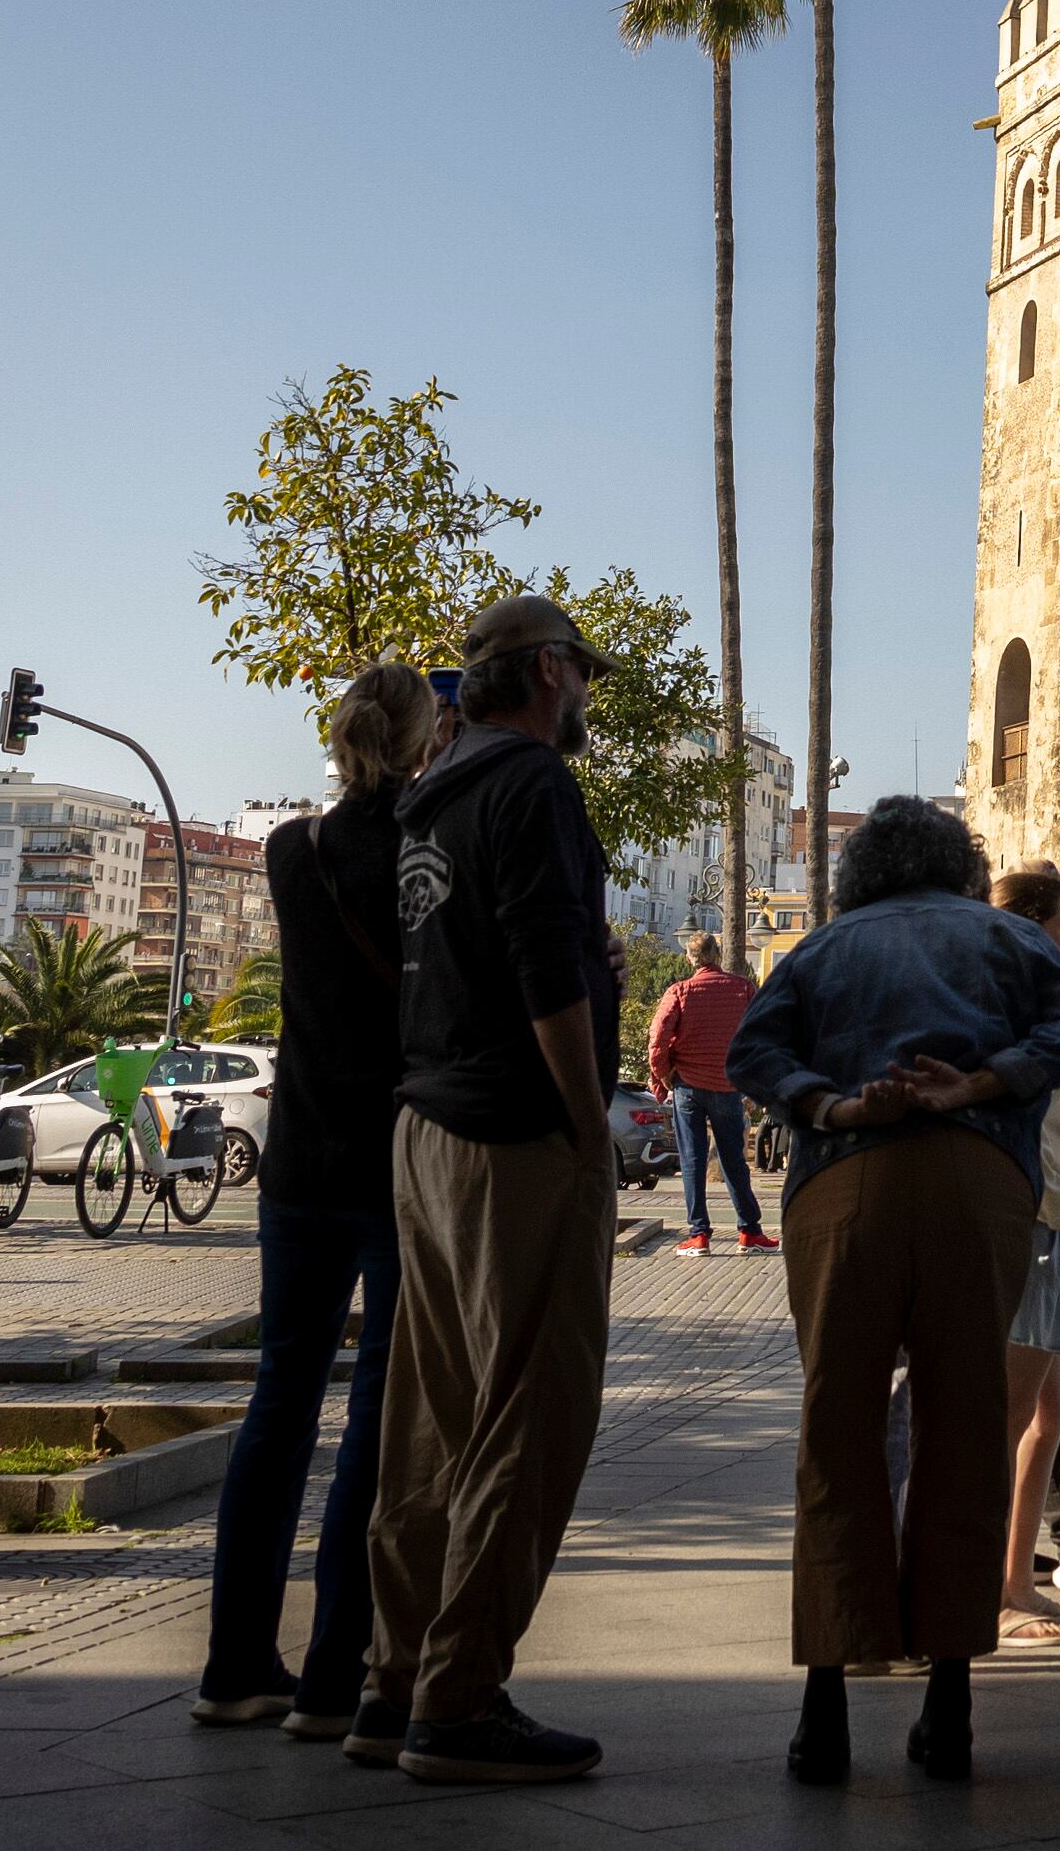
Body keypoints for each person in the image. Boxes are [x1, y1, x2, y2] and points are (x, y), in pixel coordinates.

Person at [734, 797, 1060, 1786]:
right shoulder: (1000, 936)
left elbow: (752, 1055)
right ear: (955, 862)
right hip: (975, 1181)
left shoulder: (819, 949)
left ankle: (825, 1707)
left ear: (861, 871)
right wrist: (983, 1084)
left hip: (841, 1180)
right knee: (963, 1422)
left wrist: (834, 1102)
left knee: (838, 1425)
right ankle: (947, 1707)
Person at [358, 596, 624, 1786]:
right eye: (580, 678)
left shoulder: (428, 790)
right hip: (516, 1134)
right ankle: (458, 1702)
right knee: (531, 1412)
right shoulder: (531, 787)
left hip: (424, 1126)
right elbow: (543, 964)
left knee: (431, 1421)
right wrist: (587, 1123)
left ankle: (394, 1680)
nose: (583, 703)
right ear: (549, 671)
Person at [196, 660, 436, 1737]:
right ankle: (336, 1678)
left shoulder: (289, 849)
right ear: (425, 741)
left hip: (296, 1154)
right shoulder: (428, 854)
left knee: (279, 1399)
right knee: (376, 1416)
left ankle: (235, 1665)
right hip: (392, 1156)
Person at [990, 865, 1060, 1646]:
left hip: (1054, 1211)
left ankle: (1014, 1579)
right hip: (1029, 1213)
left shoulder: (1042, 992)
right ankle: (994, 1591)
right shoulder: (1020, 995)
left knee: (1050, 1407)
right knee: (1008, 1414)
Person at [646, 932, 773, 1254]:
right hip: (727, 1087)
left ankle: (698, 1234)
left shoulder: (680, 991)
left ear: (689, 958)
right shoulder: (743, 988)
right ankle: (750, 1231)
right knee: (734, 1162)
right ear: (717, 954)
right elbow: (761, 1033)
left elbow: (658, 1039)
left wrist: (663, 1076)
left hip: (688, 1087)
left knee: (692, 1161)